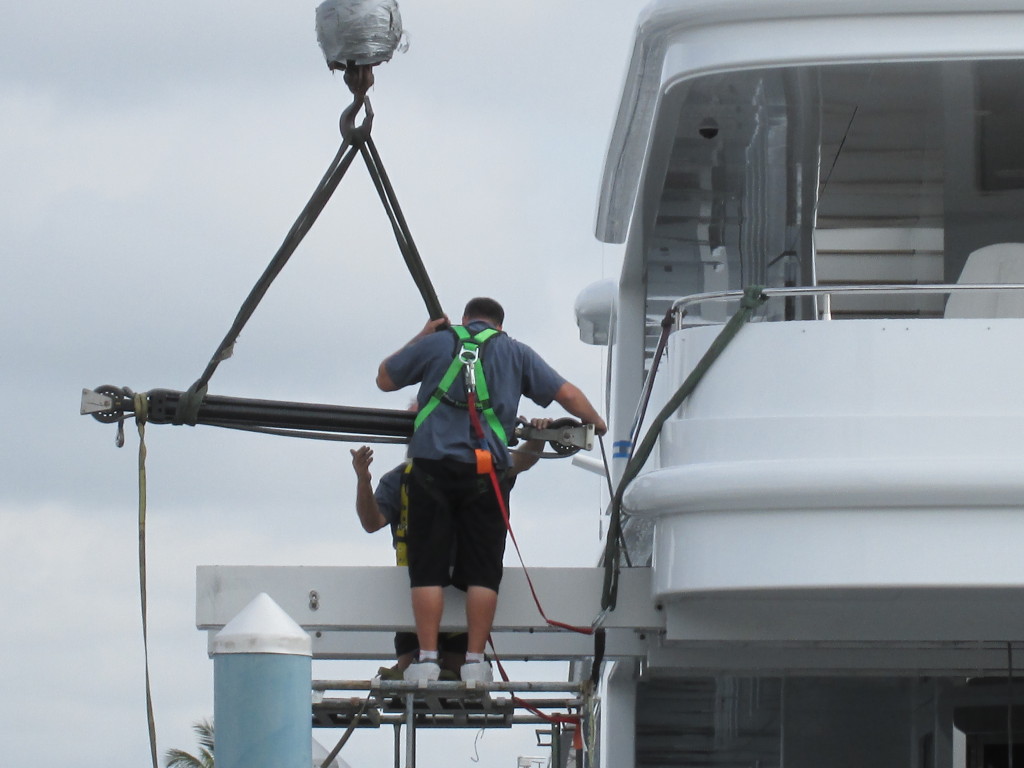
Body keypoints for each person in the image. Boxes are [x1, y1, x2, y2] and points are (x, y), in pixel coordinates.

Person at [376, 297, 607, 683]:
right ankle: (474, 663)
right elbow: (566, 394)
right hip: (486, 473)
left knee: (427, 569)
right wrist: (595, 423)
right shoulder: (516, 352)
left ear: (465, 319)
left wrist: (423, 335)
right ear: (500, 325)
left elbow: (385, 378)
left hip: (430, 467)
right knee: (484, 572)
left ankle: (428, 659)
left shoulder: (438, 342)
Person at [349, 418, 552, 680]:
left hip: (458, 591)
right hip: (419, 598)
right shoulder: (401, 479)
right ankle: (420, 668)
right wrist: (363, 481)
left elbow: (520, 461)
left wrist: (539, 435)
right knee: (414, 669)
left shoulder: (480, 472)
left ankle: (433, 667)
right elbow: (371, 521)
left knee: (450, 668)